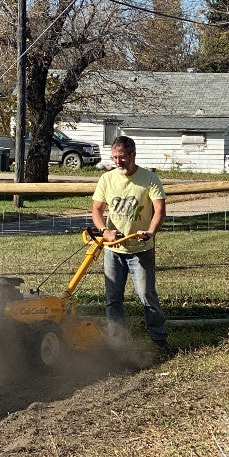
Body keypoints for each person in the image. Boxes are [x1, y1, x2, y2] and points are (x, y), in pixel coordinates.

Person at [91, 135, 169, 355]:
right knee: (113, 300)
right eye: (115, 157)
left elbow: (160, 210)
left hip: (140, 250)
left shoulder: (149, 179)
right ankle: (118, 344)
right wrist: (105, 232)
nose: (118, 161)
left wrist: (150, 232)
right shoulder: (107, 179)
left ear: (133, 155)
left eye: (122, 157)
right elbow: (97, 210)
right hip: (113, 250)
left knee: (147, 296)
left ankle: (159, 340)